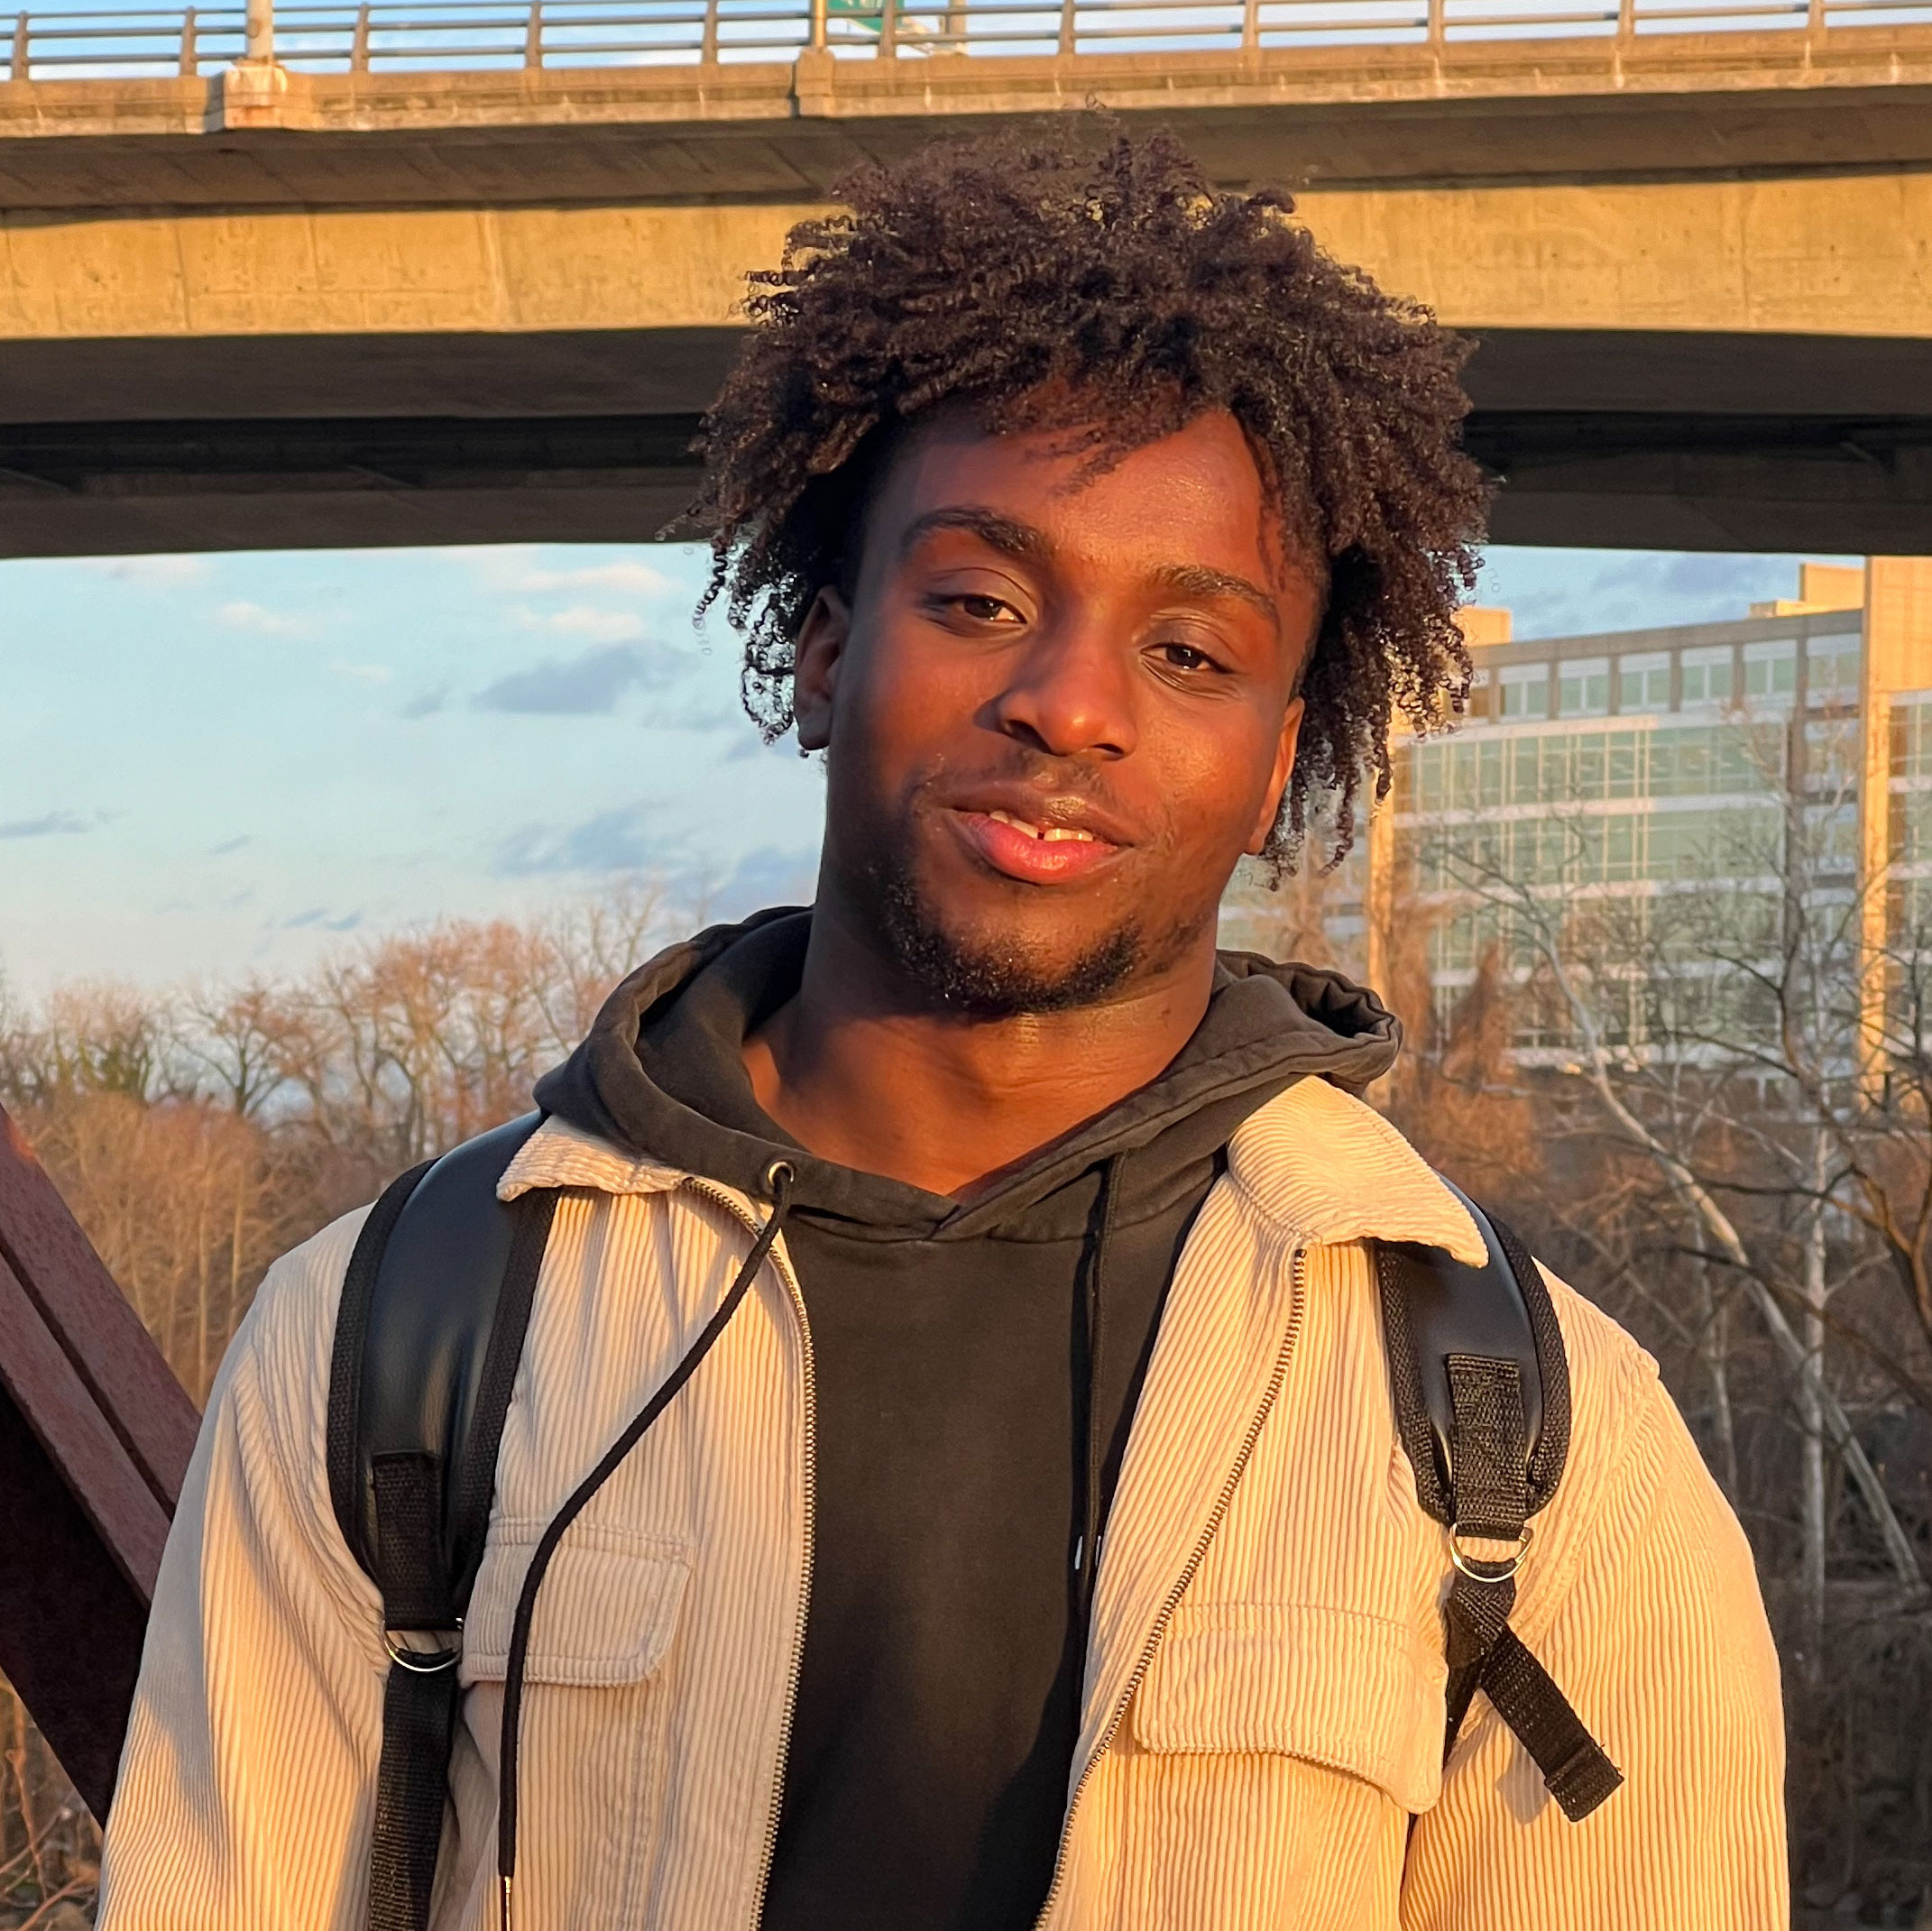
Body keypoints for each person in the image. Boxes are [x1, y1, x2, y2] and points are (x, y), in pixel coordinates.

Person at [97, 127, 1786, 1930]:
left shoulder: (1538, 1437)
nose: (1069, 704)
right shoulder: (387, 1340)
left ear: (1282, 761)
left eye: (1192, 656)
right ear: (826, 650)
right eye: (979, 600)